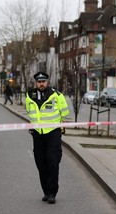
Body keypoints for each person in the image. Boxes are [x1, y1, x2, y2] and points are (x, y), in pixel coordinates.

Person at [25, 72, 70, 204]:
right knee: (40, 163)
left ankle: (52, 193)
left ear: (47, 82)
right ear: (36, 83)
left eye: (43, 81)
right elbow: (30, 112)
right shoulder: (29, 96)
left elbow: (65, 112)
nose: (41, 84)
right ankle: (46, 191)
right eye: (39, 82)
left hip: (53, 133)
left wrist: (60, 125)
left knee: (52, 161)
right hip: (37, 134)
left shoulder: (56, 95)